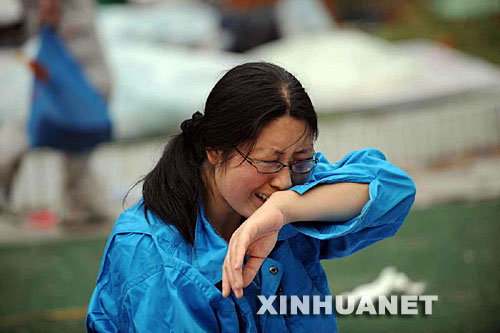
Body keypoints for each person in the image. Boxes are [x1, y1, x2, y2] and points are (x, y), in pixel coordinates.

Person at [86, 62, 416, 332]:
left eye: (301, 159)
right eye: (269, 161)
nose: (285, 180)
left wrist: (287, 209)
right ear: (215, 150)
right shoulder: (152, 254)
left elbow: (394, 189)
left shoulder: (292, 193)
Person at [0, 0, 111, 225]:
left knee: (74, 134)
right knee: (41, 123)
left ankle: (81, 203)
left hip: (64, 48)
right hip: (68, 49)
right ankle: (81, 204)